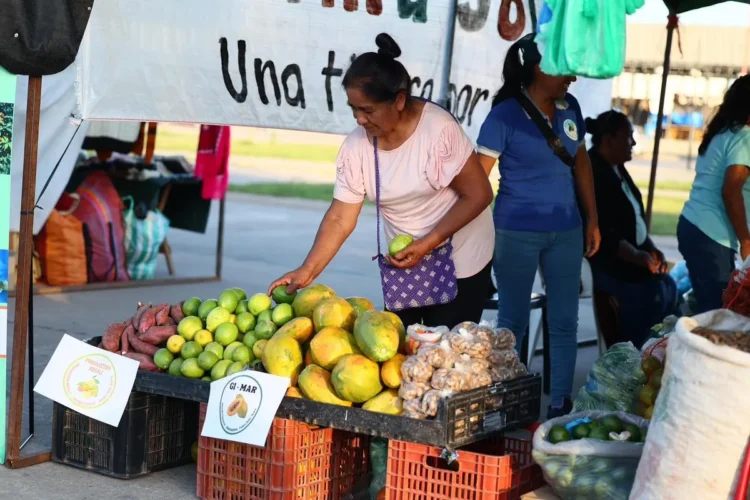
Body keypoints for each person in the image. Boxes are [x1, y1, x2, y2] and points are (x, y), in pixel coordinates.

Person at [267, 33, 495, 328]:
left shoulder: (438, 130)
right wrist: (307, 270)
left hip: (459, 257)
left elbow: (478, 195)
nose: (359, 119)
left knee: (446, 355)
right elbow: (340, 217)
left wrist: (428, 243)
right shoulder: (356, 147)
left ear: (399, 100)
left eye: (368, 110)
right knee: (400, 350)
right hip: (406, 262)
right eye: (353, 109)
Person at [475, 33, 600, 419]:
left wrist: (592, 219)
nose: (572, 77)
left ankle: (560, 402)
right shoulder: (504, 115)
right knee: (512, 321)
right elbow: (479, 179)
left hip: (566, 230)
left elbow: (580, 162)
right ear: (537, 68)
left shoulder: (570, 107)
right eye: (563, 68)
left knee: (565, 320)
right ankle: (510, 403)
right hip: (515, 231)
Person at [585, 110, 678, 349]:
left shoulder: (617, 168)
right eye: (628, 137)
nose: (633, 143)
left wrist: (651, 250)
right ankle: (634, 354)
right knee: (654, 293)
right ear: (609, 140)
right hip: (608, 262)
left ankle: (652, 353)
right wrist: (636, 256)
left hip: (631, 257)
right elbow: (605, 228)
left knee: (669, 285)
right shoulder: (595, 171)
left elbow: (633, 219)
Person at [678, 75, 750, 313]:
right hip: (712, 235)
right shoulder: (745, 137)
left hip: (695, 226)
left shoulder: (722, 133)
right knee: (721, 313)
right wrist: (745, 239)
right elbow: (731, 191)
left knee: (710, 310)